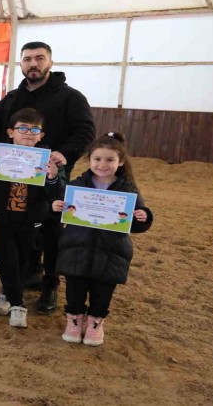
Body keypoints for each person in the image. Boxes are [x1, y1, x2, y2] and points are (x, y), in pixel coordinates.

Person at [0, 41, 95, 314]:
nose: (33, 64)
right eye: (27, 59)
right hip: (9, 176)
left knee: (50, 228)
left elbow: (85, 131)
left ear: (50, 62)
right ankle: (17, 281)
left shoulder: (71, 97)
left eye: (39, 58)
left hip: (49, 173)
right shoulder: (11, 99)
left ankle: (50, 284)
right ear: (21, 64)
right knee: (12, 226)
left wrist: (64, 153)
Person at [52, 132, 153, 346]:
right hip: (77, 248)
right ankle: (74, 321)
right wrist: (56, 207)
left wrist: (143, 216)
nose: (102, 164)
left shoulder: (128, 190)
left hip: (112, 251)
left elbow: (136, 221)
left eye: (109, 159)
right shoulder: (76, 185)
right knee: (75, 289)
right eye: (97, 159)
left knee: (103, 291)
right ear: (89, 160)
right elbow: (61, 210)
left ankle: (96, 323)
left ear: (120, 162)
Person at [0, 108, 64, 328]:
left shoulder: (48, 160)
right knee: (4, 258)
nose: (28, 133)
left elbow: (54, 194)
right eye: (23, 128)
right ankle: (18, 304)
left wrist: (53, 177)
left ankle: (7, 294)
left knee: (23, 259)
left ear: (41, 135)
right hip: (0, 217)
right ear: (11, 132)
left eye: (34, 130)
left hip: (31, 219)